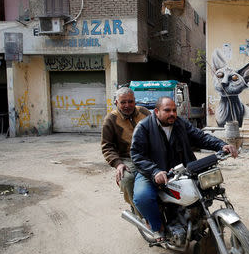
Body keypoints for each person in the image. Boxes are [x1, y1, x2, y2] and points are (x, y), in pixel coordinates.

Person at [130, 96, 238, 241]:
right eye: (167, 110)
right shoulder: (144, 127)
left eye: (174, 110)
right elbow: (136, 155)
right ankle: (157, 227)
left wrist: (221, 145)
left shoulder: (180, 124)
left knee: (201, 191)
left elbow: (201, 137)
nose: (172, 114)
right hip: (151, 171)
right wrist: (154, 171)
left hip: (179, 169)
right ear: (156, 112)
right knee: (143, 197)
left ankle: (194, 220)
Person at [101, 87, 150, 206]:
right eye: (123, 102)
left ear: (135, 101)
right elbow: (107, 146)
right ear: (117, 102)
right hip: (127, 159)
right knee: (127, 179)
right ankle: (141, 214)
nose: (127, 105)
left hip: (148, 156)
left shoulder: (144, 112)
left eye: (130, 101)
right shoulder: (110, 119)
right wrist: (118, 163)